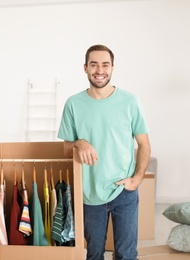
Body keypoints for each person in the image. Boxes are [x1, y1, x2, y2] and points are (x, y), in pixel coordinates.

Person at [58, 44, 151, 260]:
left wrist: (137, 179)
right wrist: (79, 143)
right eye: (94, 64)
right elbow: (65, 149)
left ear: (112, 68)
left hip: (124, 191)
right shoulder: (73, 104)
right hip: (89, 194)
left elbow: (144, 144)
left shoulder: (130, 102)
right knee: (94, 255)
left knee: (127, 255)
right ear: (85, 68)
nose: (100, 70)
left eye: (105, 64)